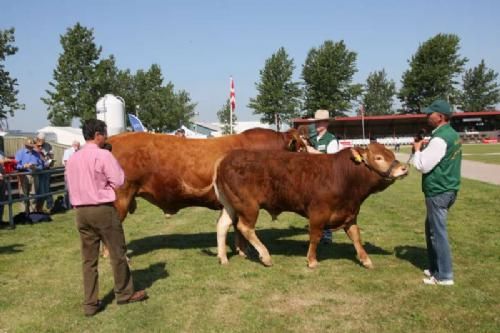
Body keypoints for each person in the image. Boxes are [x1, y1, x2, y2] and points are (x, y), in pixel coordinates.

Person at [66, 119, 148, 316]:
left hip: (81, 212)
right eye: (105, 133)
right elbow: (119, 180)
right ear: (97, 135)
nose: (106, 137)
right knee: (117, 252)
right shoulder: (103, 155)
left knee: (88, 260)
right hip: (102, 209)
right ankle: (124, 293)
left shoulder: (73, 158)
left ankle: (90, 303)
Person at [411, 99, 461, 286]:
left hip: (438, 190)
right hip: (448, 188)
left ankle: (444, 275)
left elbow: (422, 166)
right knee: (431, 229)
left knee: (437, 233)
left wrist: (417, 150)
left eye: (430, 113)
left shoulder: (440, 138)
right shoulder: (451, 134)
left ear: (440, 117)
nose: (427, 116)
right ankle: (435, 267)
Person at [305, 109, 341, 244]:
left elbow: (332, 160)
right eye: (317, 122)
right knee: (313, 206)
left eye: (321, 122)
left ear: (327, 123)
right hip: (312, 177)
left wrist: (312, 151)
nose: (318, 125)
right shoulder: (312, 138)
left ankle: (326, 234)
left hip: (327, 178)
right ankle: (315, 229)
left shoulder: (331, 140)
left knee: (326, 206)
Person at [15, 138, 45, 213]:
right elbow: (16, 165)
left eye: (32, 146)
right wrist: (23, 166)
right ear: (26, 145)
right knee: (23, 195)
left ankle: (32, 213)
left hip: (34, 175)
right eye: (29, 146)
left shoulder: (36, 154)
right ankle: (24, 213)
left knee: (33, 195)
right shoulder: (20, 153)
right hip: (24, 175)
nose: (31, 147)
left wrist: (35, 167)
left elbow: (41, 166)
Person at [36, 133, 54, 210]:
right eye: (40, 140)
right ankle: (39, 208)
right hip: (39, 170)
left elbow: (51, 155)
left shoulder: (48, 145)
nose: (42, 142)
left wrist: (50, 160)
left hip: (46, 169)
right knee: (40, 190)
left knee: (46, 188)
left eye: (43, 140)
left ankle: (49, 205)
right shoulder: (34, 145)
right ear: (37, 139)